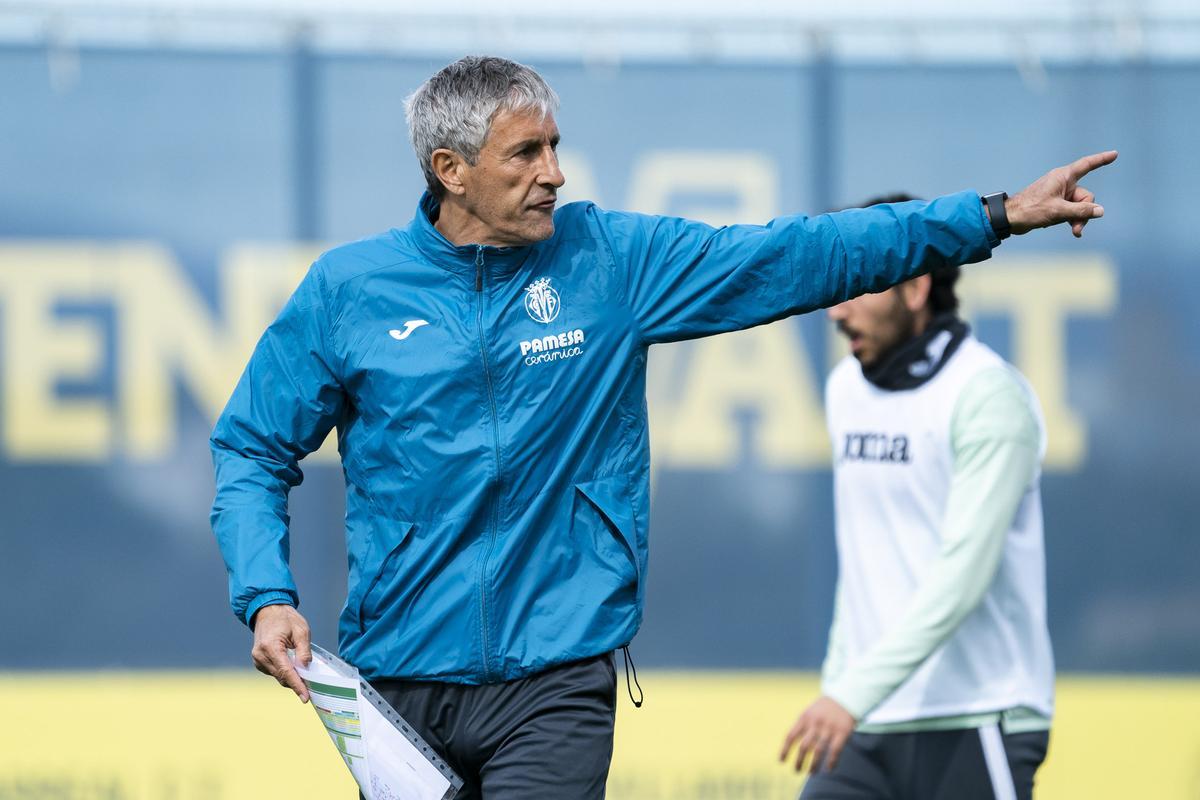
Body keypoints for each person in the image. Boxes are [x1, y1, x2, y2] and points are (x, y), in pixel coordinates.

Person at [210, 55, 1111, 799]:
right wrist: (268, 593)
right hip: (398, 680)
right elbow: (251, 446)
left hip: (556, 677)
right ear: (450, 170)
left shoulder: (611, 259)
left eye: (556, 146)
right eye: (526, 152)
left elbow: (797, 254)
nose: (555, 171)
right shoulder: (348, 290)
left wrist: (988, 217)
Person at [779, 194, 1055, 800]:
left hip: (979, 713)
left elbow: (962, 577)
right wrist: (843, 684)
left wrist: (848, 694)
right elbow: (864, 564)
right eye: (838, 286)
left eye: (861, 285)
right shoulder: (844, 388)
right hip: (864, 719)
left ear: (915, 287)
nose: (836, 311)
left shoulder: (987, 397)